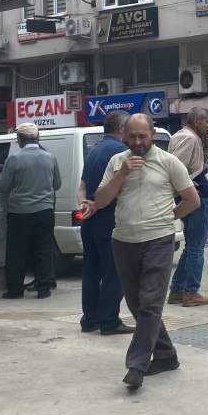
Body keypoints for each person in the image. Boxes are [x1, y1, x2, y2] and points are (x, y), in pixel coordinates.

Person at [95, 114, 200, 390]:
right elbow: (101, 200)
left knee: (151, 302)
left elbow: (192, 200)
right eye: (132, 136)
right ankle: (166, 355)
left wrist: (167, 219)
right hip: (123, 240)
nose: (138, 142)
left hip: (158, 240)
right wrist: (123, 173)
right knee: (137, 305)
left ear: (152, 134)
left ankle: (137, 365)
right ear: (124, 135)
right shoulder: (117, 162)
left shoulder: (168, 162)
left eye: (143, 136)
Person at [76, 110, 134, 335]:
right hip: (109, 219)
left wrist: (86, 205)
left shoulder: (94, 150)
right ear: (121, 129)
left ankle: (89, 318)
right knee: (115, 271)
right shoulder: (121, 152)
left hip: (90, 220)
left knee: (91, 270)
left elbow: (82, 187)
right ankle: (109, 320)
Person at [0, 123, 61, 299]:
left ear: (19, 140)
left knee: (16, 251)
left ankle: (15, 289)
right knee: (43, 248)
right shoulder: (50, 158)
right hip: (45, 211)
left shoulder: (14, 160)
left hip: (19, 212)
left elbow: (3, 186)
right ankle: (43, 287)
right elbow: (57, 185)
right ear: (38, 137)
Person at [168, 107, 208, 307]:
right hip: (197, 196)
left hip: (190, 194)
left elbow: (198, 166)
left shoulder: (187, 137)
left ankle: (177, 290)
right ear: (196, 121)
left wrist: (206, 145)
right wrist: (189, 187)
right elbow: (176, 166)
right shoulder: (189, 138)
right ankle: (191, 292)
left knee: (191, 247)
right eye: (206, 121)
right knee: (196, 248)